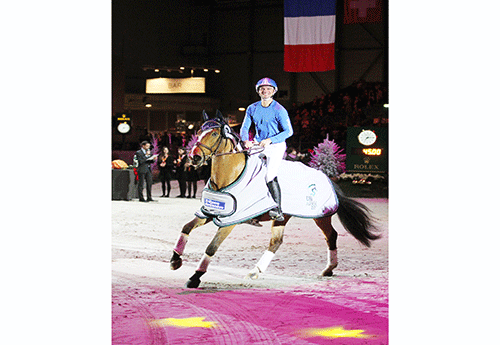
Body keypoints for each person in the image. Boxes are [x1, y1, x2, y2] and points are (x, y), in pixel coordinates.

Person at [240, 77, 293, 221]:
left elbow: (288, 132)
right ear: (258, 92)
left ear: (273, 91)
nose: (265, 91)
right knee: (247, 170)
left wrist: (270, 140)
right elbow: (245, 127)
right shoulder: (252, 108)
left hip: (275, 145)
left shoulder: (279, 109)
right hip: (258, 143)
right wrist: (246, 140)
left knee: (269, 175)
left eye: (268, 89)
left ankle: (277, 209)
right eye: (262, 89)